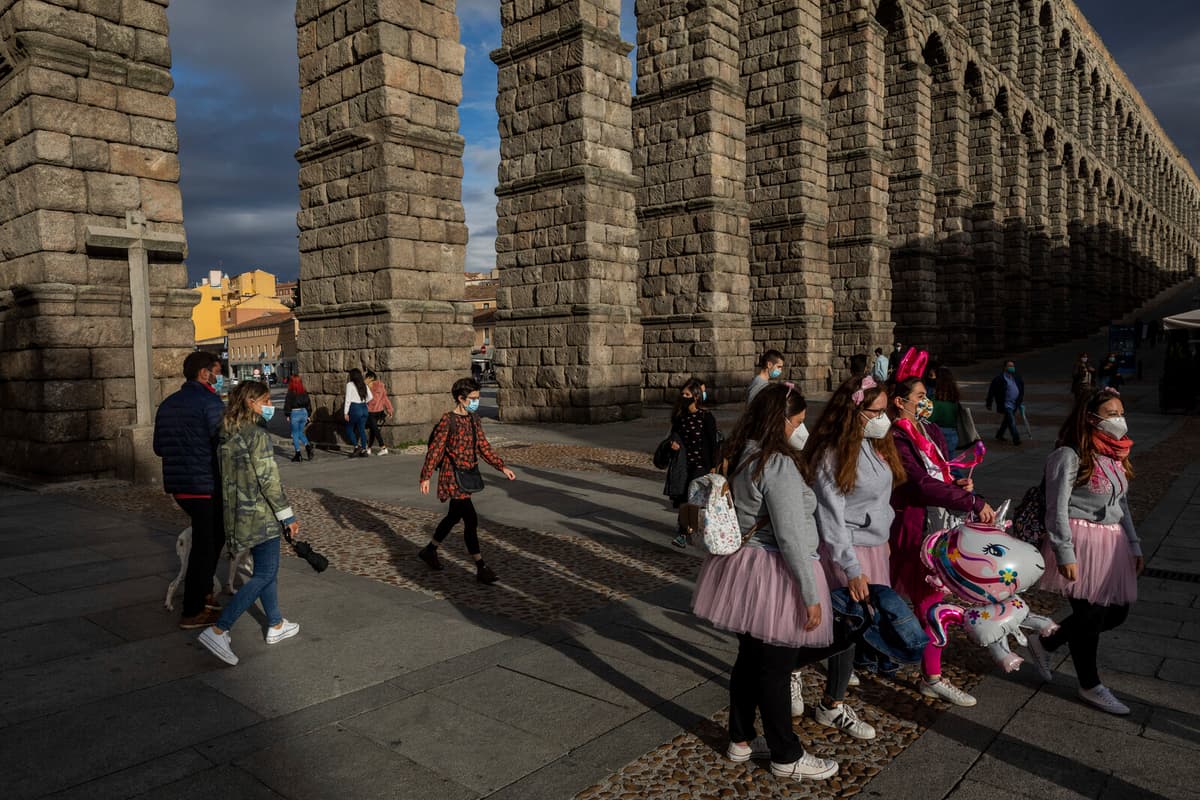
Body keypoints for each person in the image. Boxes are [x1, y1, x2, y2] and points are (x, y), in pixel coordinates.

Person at [690, 383, 840, 781]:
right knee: (775, 666)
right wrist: (810, 594)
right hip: (774, 570)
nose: (801, 429)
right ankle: (786, 754)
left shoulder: (743, 452)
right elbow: (790, 535)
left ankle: (740, 739)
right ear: (781, 421)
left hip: (744, 567)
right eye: (798, 421)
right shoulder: (776, 463)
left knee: (750, 659)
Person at [1024, 388, 1142, 715]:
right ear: (1091, 417)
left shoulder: (1114, 455)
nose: (1119, 419)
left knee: (1116, 612)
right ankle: (1090, 685)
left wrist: (1133, 544)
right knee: (1089, 616)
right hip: (1080, 540)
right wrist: (1064, 552)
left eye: (1121, 411)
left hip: (1112, 542)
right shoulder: (1069, 455)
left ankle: (1046, 641)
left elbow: (1122, 504)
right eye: (1111, 413)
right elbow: (1056, 508)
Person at [803, 374, 907, 739]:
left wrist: (883, 535)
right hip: (845, 551)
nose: (885, 418)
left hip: (872, 547)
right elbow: (830, 518)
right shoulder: (831, 454)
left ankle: (828, 698)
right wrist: (851, 567)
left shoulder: (873, 445)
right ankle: (817, 691)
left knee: (853, 627)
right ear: (855, 411)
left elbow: (880, 499)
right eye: (877, 411)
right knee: (841, 627)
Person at [888, 374, 996, 707]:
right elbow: (919, 483)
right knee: (925, 602)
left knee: (926, 600)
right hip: (913, 527)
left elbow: (943, 471)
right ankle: (930, 677)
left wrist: (960, 483)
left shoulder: (930, 430)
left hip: (939, 522)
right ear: (899, 402)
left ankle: (923, 672)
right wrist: (972, 502)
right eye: (920, 395)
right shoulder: (895, 437)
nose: (926, 400)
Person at [197, 381, 300, 666]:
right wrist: (287, 516)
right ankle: (220, 629)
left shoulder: (226, 433)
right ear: (252, 402)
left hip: (237, 514)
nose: (270, 406)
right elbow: (269, 480)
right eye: (266, 400)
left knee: (266, 570)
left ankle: (276, 624)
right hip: (260, 514)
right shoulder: (257, 436)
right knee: (265, 573)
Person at [153, 351, 226, 630]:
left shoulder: (168, 404)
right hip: (204, 485)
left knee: (212, 537)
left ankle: (205, 593)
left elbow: (159, 447)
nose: (219, 378)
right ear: (204, 373)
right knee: (205, 548)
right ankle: (194, 609)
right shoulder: (210, 402)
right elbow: (222, 441)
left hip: (180, 488)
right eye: (217, 372)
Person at [418, 377, 516, 584]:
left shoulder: (474, 419)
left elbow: (483, 447)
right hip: (452, 477)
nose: (476, 402)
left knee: (453, 517)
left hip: (468, 474)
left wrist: (502, 466)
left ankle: (430, 550)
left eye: (477, 398)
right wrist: (426, 476)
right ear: (461, 399)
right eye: (472, 398)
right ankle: (481, 566)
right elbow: (435, 450)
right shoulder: (448, 420)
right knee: (470, 519)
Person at [669, 378, 721, 548]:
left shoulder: (706, 417)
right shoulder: (680, 416)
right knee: (684, 498)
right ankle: (683, 532)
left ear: (696, 397)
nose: (684, 396)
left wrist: (713, 465)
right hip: (684, 463)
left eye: (687, 394)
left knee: (695, 499)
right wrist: (673, 444)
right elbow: (674, 435)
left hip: (701, 464)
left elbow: (713, 443)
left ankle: (694, 530)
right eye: (682, 393)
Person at [985, 359, 1025, 446]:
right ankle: (1016, 439)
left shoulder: (1017, 377)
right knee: (1011, 421)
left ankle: (999, 434)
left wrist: (1020, 401)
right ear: (1004, 367)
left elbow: (1021, 389)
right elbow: (991, 391)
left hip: (1015, 403)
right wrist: (989, 403)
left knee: (1007, 421)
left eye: (1013, 366)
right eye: (1009, 366)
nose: (1012, 368)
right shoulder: (999, 379)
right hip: (1006, 404)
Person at [928, 365, 964, 460]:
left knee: (945, 466)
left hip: (939, 434)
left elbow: (929, 418)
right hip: (953, 433)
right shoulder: (954, 399)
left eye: (933, 376)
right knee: (949, 463)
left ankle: (960, 476)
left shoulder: (934, 401)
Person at [283, 374, 314, 462]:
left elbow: (287, 405)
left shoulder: (290, 392)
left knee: (295, 434)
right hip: (304, 412)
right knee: (300, 432)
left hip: (295, 413)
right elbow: (308, 404)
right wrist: (308, 415)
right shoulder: (304, 392)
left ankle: (298, 454)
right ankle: (308, 446)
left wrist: (288, 415)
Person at [343, 368, 373, 457]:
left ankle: (356, 446)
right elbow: (370, 397)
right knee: (361, 430)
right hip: (364, 408)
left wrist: (345, 412)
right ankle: (364, 450)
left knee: (349, 428)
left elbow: (348, 399)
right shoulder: (364, 384)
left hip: (355, 408)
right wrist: (365, 402)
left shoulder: (350, 385)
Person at [365, 370, 394, 455]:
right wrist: (389, 409)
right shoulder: (381, 386)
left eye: (366, 377)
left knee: (374, 429)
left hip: (371, 411)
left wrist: (389, 409)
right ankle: (369, 448)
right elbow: (385, 398)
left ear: (370, 378)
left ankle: (383, 447)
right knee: (373, 429)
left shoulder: (367, 386)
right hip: (379, 411)